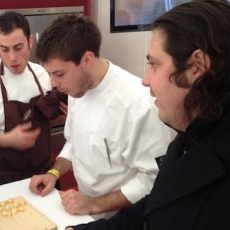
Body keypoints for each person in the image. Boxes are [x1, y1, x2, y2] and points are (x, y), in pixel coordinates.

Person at [67, 0, 230, 229]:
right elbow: (152, 207)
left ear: (196, 67)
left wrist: (95, 205)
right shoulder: (187, 134)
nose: (145, 80)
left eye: (154, 64)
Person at [29, 14, 175, 219]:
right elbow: (74, 143)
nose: (52, 84)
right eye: (50, 74)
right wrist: (53, 174)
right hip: (84, 213)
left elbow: (153, 179)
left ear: (87, 60)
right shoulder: (76, 89)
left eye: (59, 74)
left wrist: (94, 205)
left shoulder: (139, 104)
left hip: (125, 220)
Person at [0, 11, 64, 187]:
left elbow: (52, 117)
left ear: (30, 42)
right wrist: (6, 139)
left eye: (18, 47)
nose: (12, 58)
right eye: (4, 49)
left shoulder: (43, 75)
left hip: (44, 174)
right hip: (3, 181)